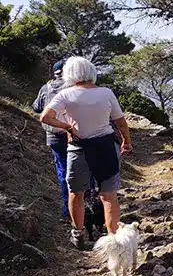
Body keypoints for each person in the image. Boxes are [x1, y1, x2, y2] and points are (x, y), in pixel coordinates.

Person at [39, 56, 133, 249]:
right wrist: (126, 141)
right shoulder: (106, 93)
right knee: (109, 195)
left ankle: (78, 234)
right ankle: (114, 239)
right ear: (91, 72)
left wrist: (67, 127)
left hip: (78, 148)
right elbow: (120, 122)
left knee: (76, 192)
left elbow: (45, 117)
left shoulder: (65, 95)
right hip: (106, 146)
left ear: (69, 74)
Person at [32, 59, 70, 221]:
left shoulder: (45, 87)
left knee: (63, 172)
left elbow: (36, 107)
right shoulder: (72, 87)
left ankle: (66, 210)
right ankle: (85, 208)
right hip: (72, 134)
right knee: (82, 171)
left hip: (53, 136)